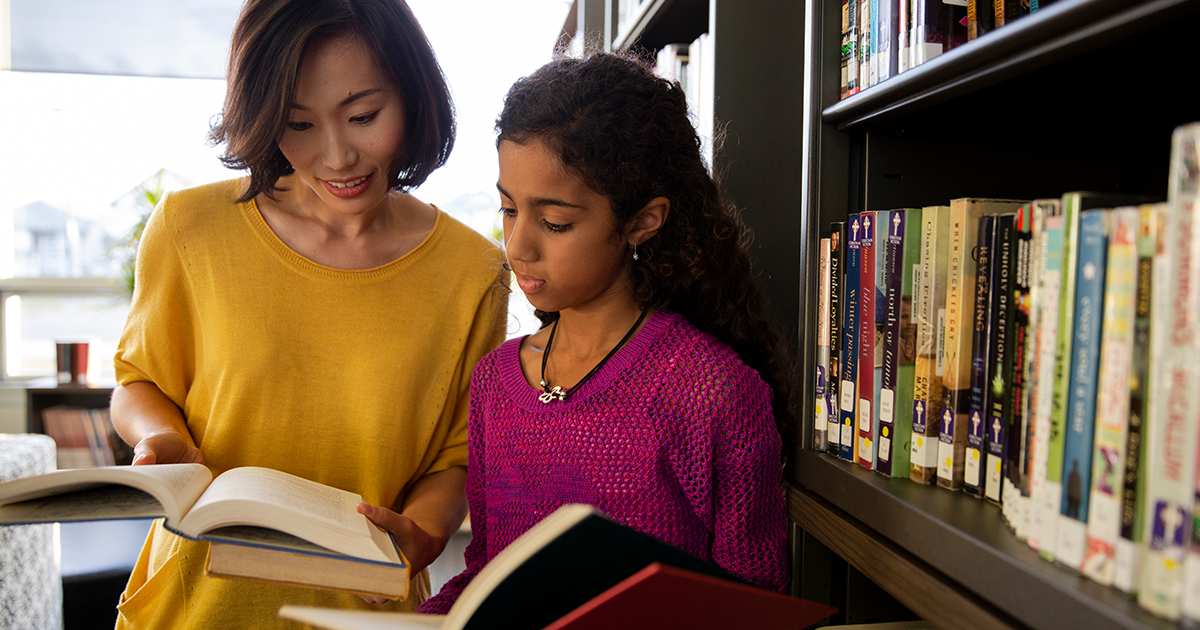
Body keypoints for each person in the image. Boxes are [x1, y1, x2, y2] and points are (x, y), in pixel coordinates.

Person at [110, 0, 507, 627]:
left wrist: (424, 535)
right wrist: (161, 440)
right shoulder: (189, 229)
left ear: (413, 94)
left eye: (363, 116)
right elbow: (139, 382)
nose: (338, 156)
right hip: (195, 605)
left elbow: (455, 459)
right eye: (297, 124)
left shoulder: (472, 271)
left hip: (365, 610)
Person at [418, 51, 793, 614]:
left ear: (642, 221)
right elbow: (485, 572)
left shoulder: (713, 393)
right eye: (507, 209)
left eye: (555, 223)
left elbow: (754, 605)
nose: (517, 246)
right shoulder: (497, 381)